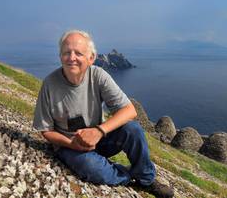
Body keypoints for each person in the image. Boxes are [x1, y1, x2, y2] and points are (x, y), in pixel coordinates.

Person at [33, 29, 174, 198]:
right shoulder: (50, 84)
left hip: (100, 138)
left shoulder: (98, 75)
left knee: (133, 130)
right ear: (60, 56)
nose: (71, 58)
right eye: (66, 53)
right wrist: (72, 144)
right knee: (90, 167)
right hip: (69, 145)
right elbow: (46, 130)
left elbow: (129, 110)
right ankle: (128, 176)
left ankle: (147, 179)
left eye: (78, 53)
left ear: (91, 58)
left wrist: (99, 131)